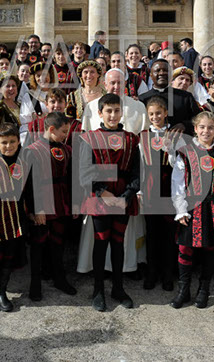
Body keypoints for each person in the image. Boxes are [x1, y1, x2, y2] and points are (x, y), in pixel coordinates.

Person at [79, 93, 140, 311]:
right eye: (109, 111)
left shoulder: (131, 139)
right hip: (100, 198)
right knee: (101, 242)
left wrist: (127, 196)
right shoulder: (89, 138)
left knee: (118, 243)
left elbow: (137, 172)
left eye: (116, 111)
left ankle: (118, 288)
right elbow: (85, 172)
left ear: (122, 112)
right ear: (100, 113)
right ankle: (98, 290)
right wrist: (105, 194)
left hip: (123, 198)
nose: (113, 115)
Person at [170, 112, 214, 309]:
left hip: (213, 206)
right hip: (191, 206)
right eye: (202, 127)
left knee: (210, 249)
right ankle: (184, 290)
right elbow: (177, 184)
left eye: (210, 128)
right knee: (185, 247)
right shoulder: (185, 152)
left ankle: (204, 290)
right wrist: (181, 210)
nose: (206, 131)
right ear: (195, 129)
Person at [0, 123, 35, 313]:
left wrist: (33, 211)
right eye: (4, 142)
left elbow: (29, 191)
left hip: (16, 218)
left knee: (9, 256)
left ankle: (2, 292)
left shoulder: (24, 164)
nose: (9, 146)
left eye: (12, 142)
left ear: (19, 141)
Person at [24, 112, 77, 301]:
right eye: (63, 131)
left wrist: (75, 203)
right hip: (42, 203)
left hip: (61, 202)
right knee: (38, 244)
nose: (66, 135)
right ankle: (35, 283)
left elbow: (72, 178)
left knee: (58, 242)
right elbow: (28, 184)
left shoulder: (67, 150)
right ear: (52, 129)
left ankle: (59, 278)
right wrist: (35, 209)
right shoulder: (31, 150)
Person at [139, 96, 177, 291]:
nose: (155, 117)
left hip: (169, 186)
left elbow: (178, 165)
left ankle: (168, 273)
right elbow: (140, 164)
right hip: (150, 187)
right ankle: (152, 272)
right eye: (152, 114)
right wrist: (140, 190)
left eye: (159, 113)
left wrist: (171, 151)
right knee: (152, 232)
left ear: (165, 113)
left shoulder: (174, 135)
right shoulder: (143, 136)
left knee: (169, 233)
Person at [138, 60, 201, 134]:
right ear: (151, 75)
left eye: (165, 70)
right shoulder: (142, 99)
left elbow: (199, 118)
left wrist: (185, 125)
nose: (161, 73)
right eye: (157, 71)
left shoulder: (185, 97)